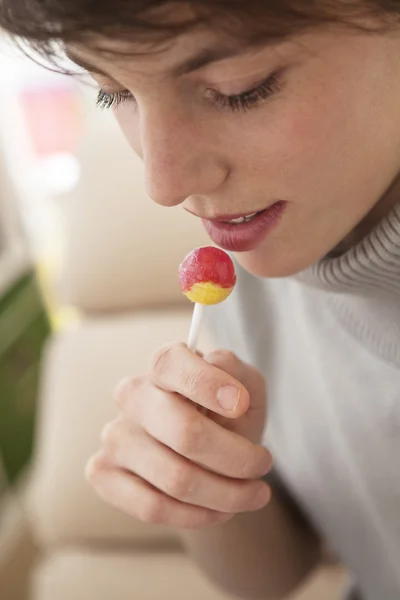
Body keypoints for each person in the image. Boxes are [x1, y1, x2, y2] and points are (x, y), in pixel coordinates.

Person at [2, 2, 400, 598]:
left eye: (238, 89)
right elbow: (275, 576)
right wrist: (200, 480)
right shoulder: (254, 266)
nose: (162, 185)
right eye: (113, 94)